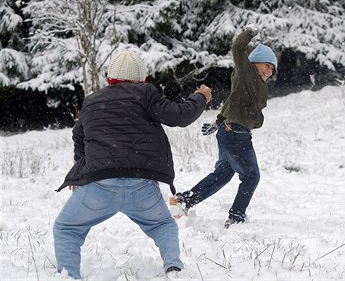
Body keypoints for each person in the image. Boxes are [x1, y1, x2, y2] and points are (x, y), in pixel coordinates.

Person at [53, 50, 212, 279]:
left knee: (67, 228)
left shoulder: (91, 101)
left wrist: (79, 173)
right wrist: (200, 97)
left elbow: (79, 137)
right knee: (163, 225)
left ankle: (69, 276)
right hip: (141, 185)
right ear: (141, 79)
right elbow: (180, 116)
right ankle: (174, 267)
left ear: (110, 78)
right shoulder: (146, 93)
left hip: (99, 185)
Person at [170, 24, 277, 229]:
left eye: (272, 69)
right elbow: (238, 48)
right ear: (254, 62)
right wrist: (250, 33)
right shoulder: (246, 72)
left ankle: (184, 201)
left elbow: (232, 101)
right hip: (236, 135)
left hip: (231, 132)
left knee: (222, 175)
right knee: (251, 176)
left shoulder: (254, 83)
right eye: (267, 65)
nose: (269, 71)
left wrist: (218, 122)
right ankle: (236, 217)